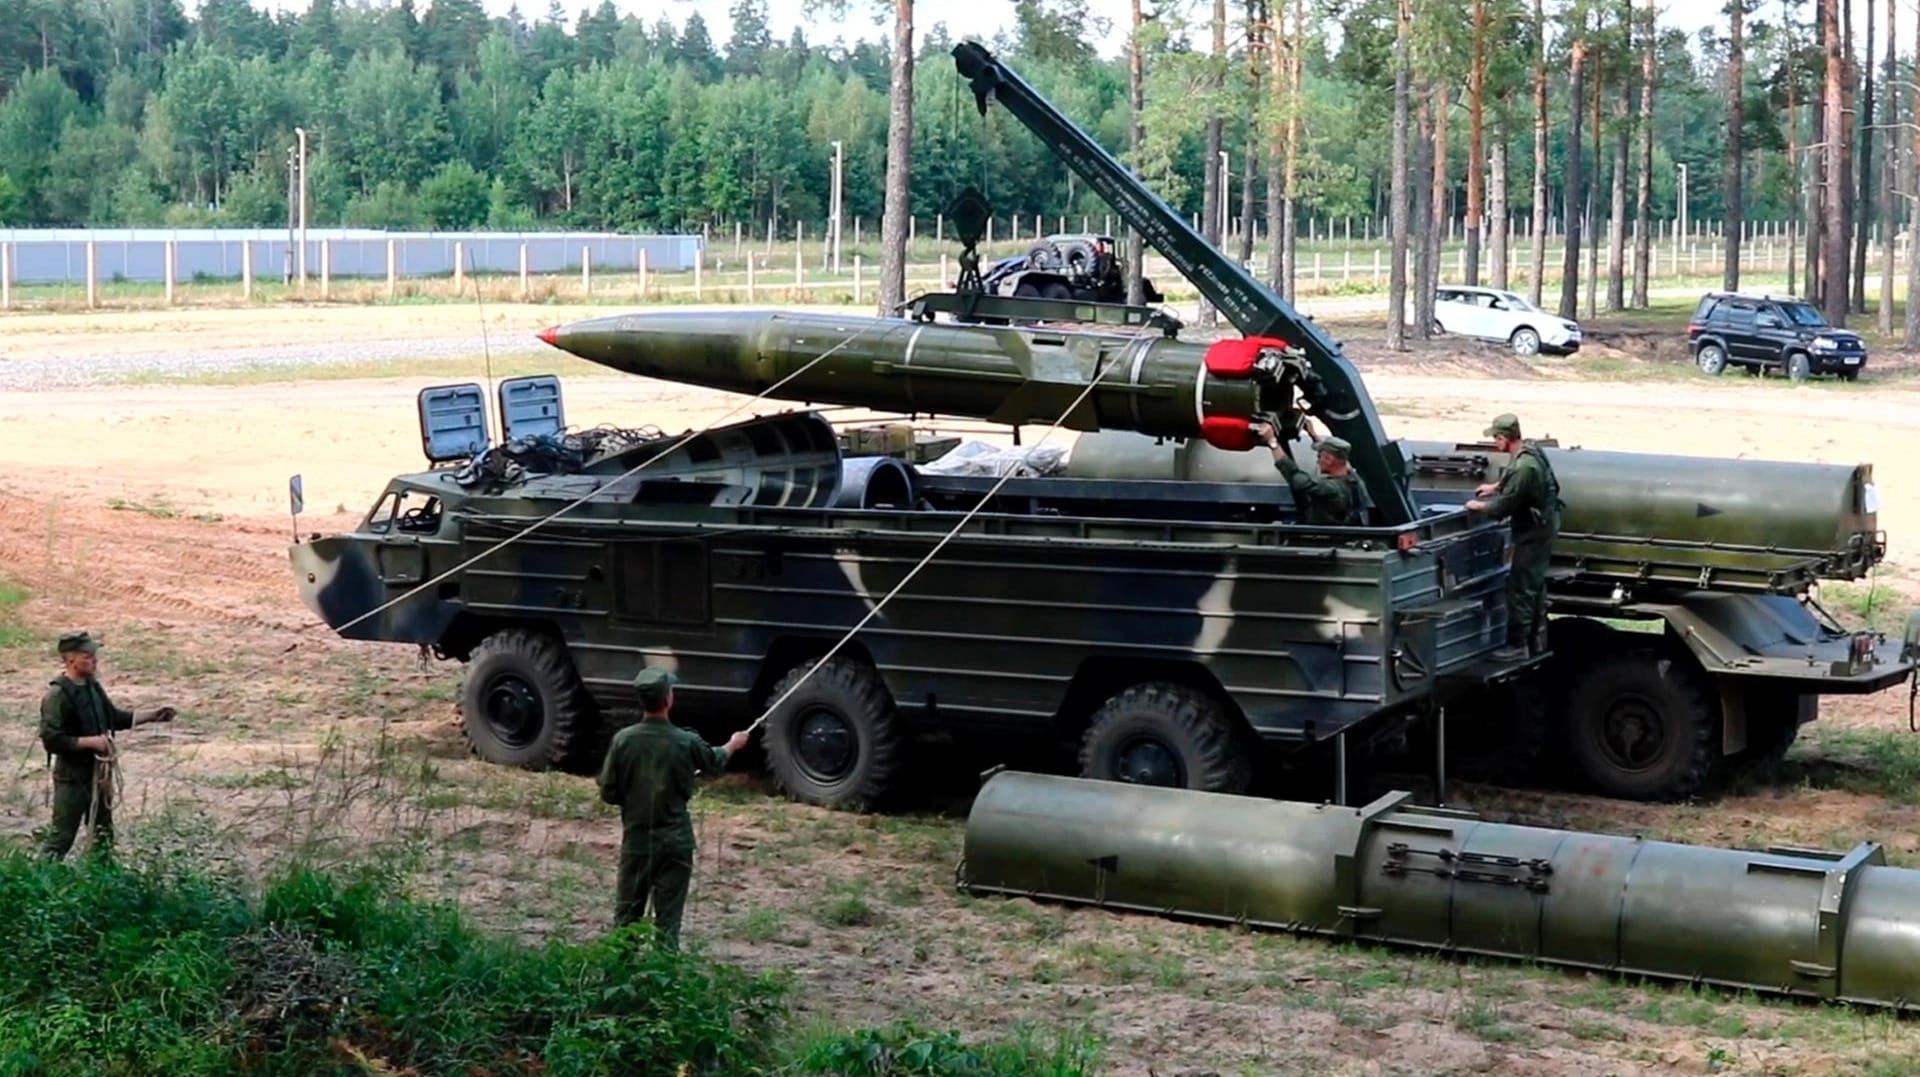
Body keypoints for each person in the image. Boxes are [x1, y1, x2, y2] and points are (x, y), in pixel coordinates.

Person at [596, 667, 751, 949]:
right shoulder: (685, 742)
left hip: (637, 843)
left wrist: (634, 798)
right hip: (675, 843)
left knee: (626, 919)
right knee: (668, 923)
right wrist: (733, 744)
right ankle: (663, 981)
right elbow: (714, 760)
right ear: (668, 699)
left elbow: (608, 791)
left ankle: (617, 977)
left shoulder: (623, 741)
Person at [37, 630, 175, 859]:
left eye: (94, 655)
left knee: (103, 834)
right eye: (88, 656)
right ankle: (37, 884)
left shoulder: (92, 687)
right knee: (61, 838)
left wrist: (152, 715)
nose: (94, 660)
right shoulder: (57, 695)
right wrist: (92, 742)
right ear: (70, 659)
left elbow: (114, 718)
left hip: (98, 774)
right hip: (72, 777)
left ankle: (101, 878)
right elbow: (52, 739)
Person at [1466, 414, 1562, 660]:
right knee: (1534, 583)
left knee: (1520, 587)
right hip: (1542, 526)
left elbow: (1504, 508)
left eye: (1496, 438)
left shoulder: (1524, 467)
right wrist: (1496, 486)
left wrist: (1479, 507)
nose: (1494, 443)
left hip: (1533, 534)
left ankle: (1518, 645)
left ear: (1504, 438)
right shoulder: (1529, 450)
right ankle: (1537, 638)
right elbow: (1516, 479)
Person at [1256, 422, 1362, 526]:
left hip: (1323, 539)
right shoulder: (1351, 477)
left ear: (1329, 460)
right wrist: (1313, 434)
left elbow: (1297, 479)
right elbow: (1336, 456)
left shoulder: (1331, 488)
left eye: (1319, 456)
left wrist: (1272, 443)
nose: (1318, 461)